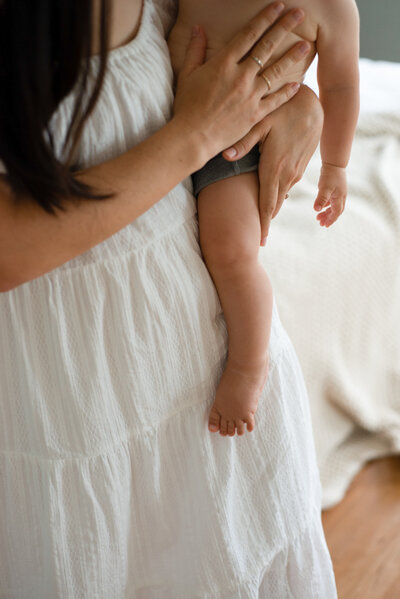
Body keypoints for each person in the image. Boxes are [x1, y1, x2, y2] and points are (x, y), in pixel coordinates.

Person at [0, 0, 337, 596]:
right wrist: (199, 133)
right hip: (67, 406)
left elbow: (240, 33)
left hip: (209, 376)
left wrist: (297, 98)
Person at [168, 0, 360, 438]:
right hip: (168, 123)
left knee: (232, 251)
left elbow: (342, 87)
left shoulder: (331, 9)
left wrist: (335, 166)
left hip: (240, 144)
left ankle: (248, 365)